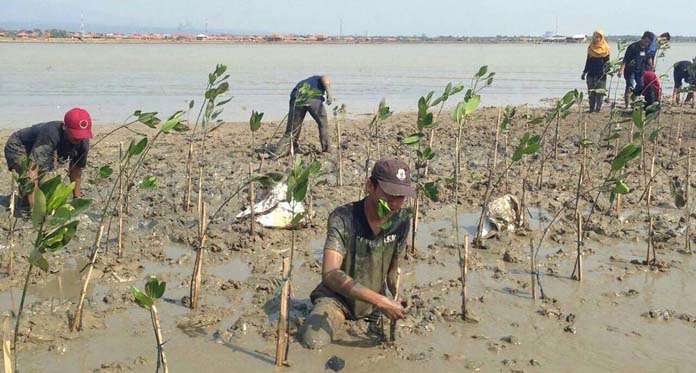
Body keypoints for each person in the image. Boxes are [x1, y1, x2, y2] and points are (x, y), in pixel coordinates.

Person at [299, 157, 413, 349]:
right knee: (313, 341)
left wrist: (396, 295)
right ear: (370, 186)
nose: (394, 203)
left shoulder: (401, 220)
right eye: (389, 194)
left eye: (401, 196)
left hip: (374, 304)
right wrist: (381, 301)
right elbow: (330, 273)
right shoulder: (344, 218)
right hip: (337, 300)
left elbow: (394, 269)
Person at [4, 108, 92, 206]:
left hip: (45, 153)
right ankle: (28, 206)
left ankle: (25, 201)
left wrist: (77, 200)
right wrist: (36, 210)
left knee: (49, 193)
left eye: (81, 135)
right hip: (19, 146)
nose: (78, 138)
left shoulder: (83, 141)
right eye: (75, 134)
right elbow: (33, 171)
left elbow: (76, 169)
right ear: (64, 127)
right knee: (42, 184)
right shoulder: (51, 133)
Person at [273, 75, 333, 158]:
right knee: (323, 123)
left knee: (292, 130)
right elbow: (325, 78)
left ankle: (278, 153)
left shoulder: (305, 82)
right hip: (313, 98)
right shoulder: (319, 78)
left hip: (296, 99)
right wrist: (329, 94)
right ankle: (326, 149)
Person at [619, 31, 654, 108]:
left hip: (640, 70)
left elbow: (649, 58)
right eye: (646, 41)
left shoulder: (646, 49)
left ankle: (633, 97)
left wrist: (652, 68)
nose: (647, 43)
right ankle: (627, 106)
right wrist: (621, 70)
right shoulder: (633, 47)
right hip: (630, 70)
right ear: (643, 38)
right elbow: (625, 59)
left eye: (649, 42)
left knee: (641, 86)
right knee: (629, 86)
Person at [581, 29, 610, 113]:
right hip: (591, 73)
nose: (596, 39)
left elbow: (607, 62)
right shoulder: (590, 48)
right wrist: (584, 72)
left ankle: (598, 109)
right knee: (591, 93)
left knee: (600, 93)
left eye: (598, 37)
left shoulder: (606, 49)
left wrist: (607, 71)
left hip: (601, 74)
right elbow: (588, 61)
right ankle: (591, 109)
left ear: (601, 38)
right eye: (595, 37)